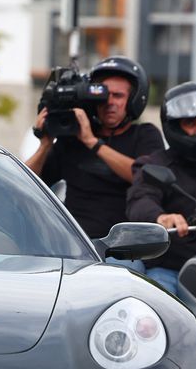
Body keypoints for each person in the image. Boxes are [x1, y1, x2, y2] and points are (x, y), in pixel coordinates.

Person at [26, 56, 164, 238]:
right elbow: (27, 183)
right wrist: (45, 144)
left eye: (118, 96)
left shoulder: (145, 135)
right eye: (104, 94)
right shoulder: (73, 137)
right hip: (74, 243)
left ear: (133, 99)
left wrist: (92, 143)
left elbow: (144, 175)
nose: (110, 102)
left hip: (123, 248)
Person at [125, 82, 196, 295]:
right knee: (161, 306)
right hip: (168, 269)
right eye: (190, 123)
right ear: (175, 125)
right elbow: (140, 201)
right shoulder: (153, 165)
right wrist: (161, 217)